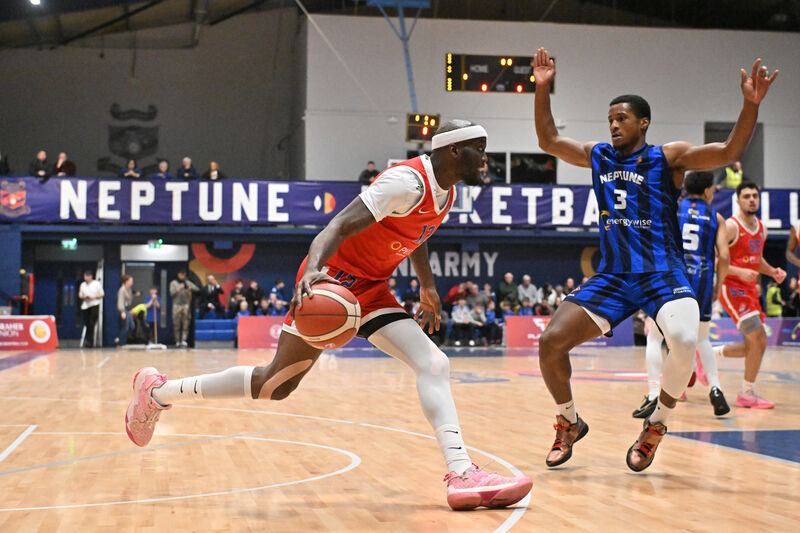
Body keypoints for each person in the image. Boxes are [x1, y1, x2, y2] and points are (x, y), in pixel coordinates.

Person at [124, 120, 531, 510]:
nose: (485, 160)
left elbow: (416, 235)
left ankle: (461, 473)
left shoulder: (447, 191)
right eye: (479, 152)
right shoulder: (404, 181)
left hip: (372, 290)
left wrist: (426, 285)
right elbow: (336, 226)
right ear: (453, 150)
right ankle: (157, 393)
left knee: (434, 362)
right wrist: (315, 269)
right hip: (331, 283)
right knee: (275, 385)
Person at [532, 47, 778, 471]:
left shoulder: (668, 157)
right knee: (551, 342)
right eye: (610, 118)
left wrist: (749, 105)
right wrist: (541, 89)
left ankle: (657, 425)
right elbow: (548, 141)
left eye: (621, 118)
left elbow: (727, 149)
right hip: (612, 276)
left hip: (662, 274)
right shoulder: (598, 156)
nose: (613, 124)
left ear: (643, 122)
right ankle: (569, 421)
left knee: (683, 341)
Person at [632, 171, 732, 419]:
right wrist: (718, 285)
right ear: (708, 190)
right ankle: (716, 389)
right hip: (702, 279)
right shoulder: (716, 217)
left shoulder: (672, 209)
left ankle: (655, 393)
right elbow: (725, 257)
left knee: (655, 337)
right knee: (702, 338)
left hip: (672, 277)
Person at [714, 182, 787, 408]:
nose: (752, 199)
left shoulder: (762, 228)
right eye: (746, 196)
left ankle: (707, 354)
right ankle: (746, 393)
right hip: (730, 287)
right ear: (738, 200)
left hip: (749, 290)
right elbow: (716, 260)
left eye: (755, 195)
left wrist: (772, 271)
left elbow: (757, 260)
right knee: (757, 337)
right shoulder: (731, 226)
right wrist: (738, 271)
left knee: (756, 345)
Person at [169, 270, 197, 347]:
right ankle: (177, 340)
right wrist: (179, 289)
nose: (182, 276)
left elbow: (196, 289)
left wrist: (190, 288)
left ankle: (184, 340)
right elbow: (172, 293)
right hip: (176, 305)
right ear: (178, 274)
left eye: (184, 275)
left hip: (185, 305)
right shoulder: (173, 283)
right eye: (181, 274)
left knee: (186, 323)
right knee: (176, 324)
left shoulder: (187, 282)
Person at [78, 270, 103, 347]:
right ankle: (87, 340)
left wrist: (94, 297)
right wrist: (85, 297)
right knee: (87, 323)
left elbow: (101, 294)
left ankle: (91, 342)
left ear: (91, 276)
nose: (86, 278)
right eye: (85, 276)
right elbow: (80, 295)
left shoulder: (97, 284)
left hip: (94, 305)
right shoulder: (82, 285)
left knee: (92, 323)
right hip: (85, 306)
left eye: (87, 276)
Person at [116, 275, 135, 346]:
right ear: (126, 281)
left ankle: (121, 339)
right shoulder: (122, 290)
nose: (132, 282)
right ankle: (120, 342)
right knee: (125, 327)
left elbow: (129, 300)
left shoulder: (129, 289)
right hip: (124, 309)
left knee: (132, 326)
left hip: (128, 309)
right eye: (131, 281)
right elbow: (120, 301)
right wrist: (122, 312)